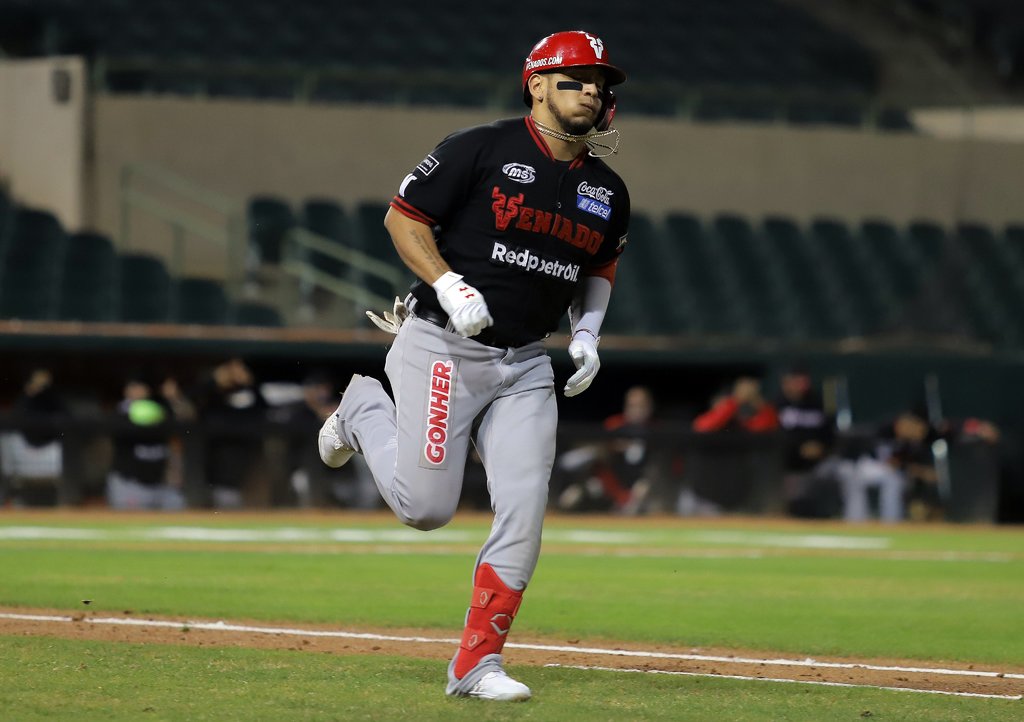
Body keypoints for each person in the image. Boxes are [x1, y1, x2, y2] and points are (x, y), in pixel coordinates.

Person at [318, 30, 630, 701]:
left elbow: (599, 267)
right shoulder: (480, 147)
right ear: (537, 84)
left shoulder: (607, 189)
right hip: (442, 345)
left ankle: (475, 666)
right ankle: (362, 409)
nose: (593, 90)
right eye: (577, 78)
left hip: (526, 362)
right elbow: (404, 219)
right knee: (425, 509)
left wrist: (588, 332)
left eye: (600, 82)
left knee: (525, 508)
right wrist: (450, 284)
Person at [556, 385, 662, 514]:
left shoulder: (656, 431)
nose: (637, 411)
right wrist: (615, 446)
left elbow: (657, 467)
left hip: (637, 489)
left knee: (642, 493)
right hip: (608, 484)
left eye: (641, 406)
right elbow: (598, 453)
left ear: (650, 407)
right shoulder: (615, 425)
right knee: (572, 497)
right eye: (632, 406)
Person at [106, 374, 185, 511]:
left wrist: (172, 400)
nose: (138, 391)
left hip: (160, 485)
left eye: (141, 387)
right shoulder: (120, 413)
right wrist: (154, 426)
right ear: (126, 390)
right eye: (134, 387)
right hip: (130, 484)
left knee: (178, 506)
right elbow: (118, 428)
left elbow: (184, 424)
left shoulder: (162, 410)